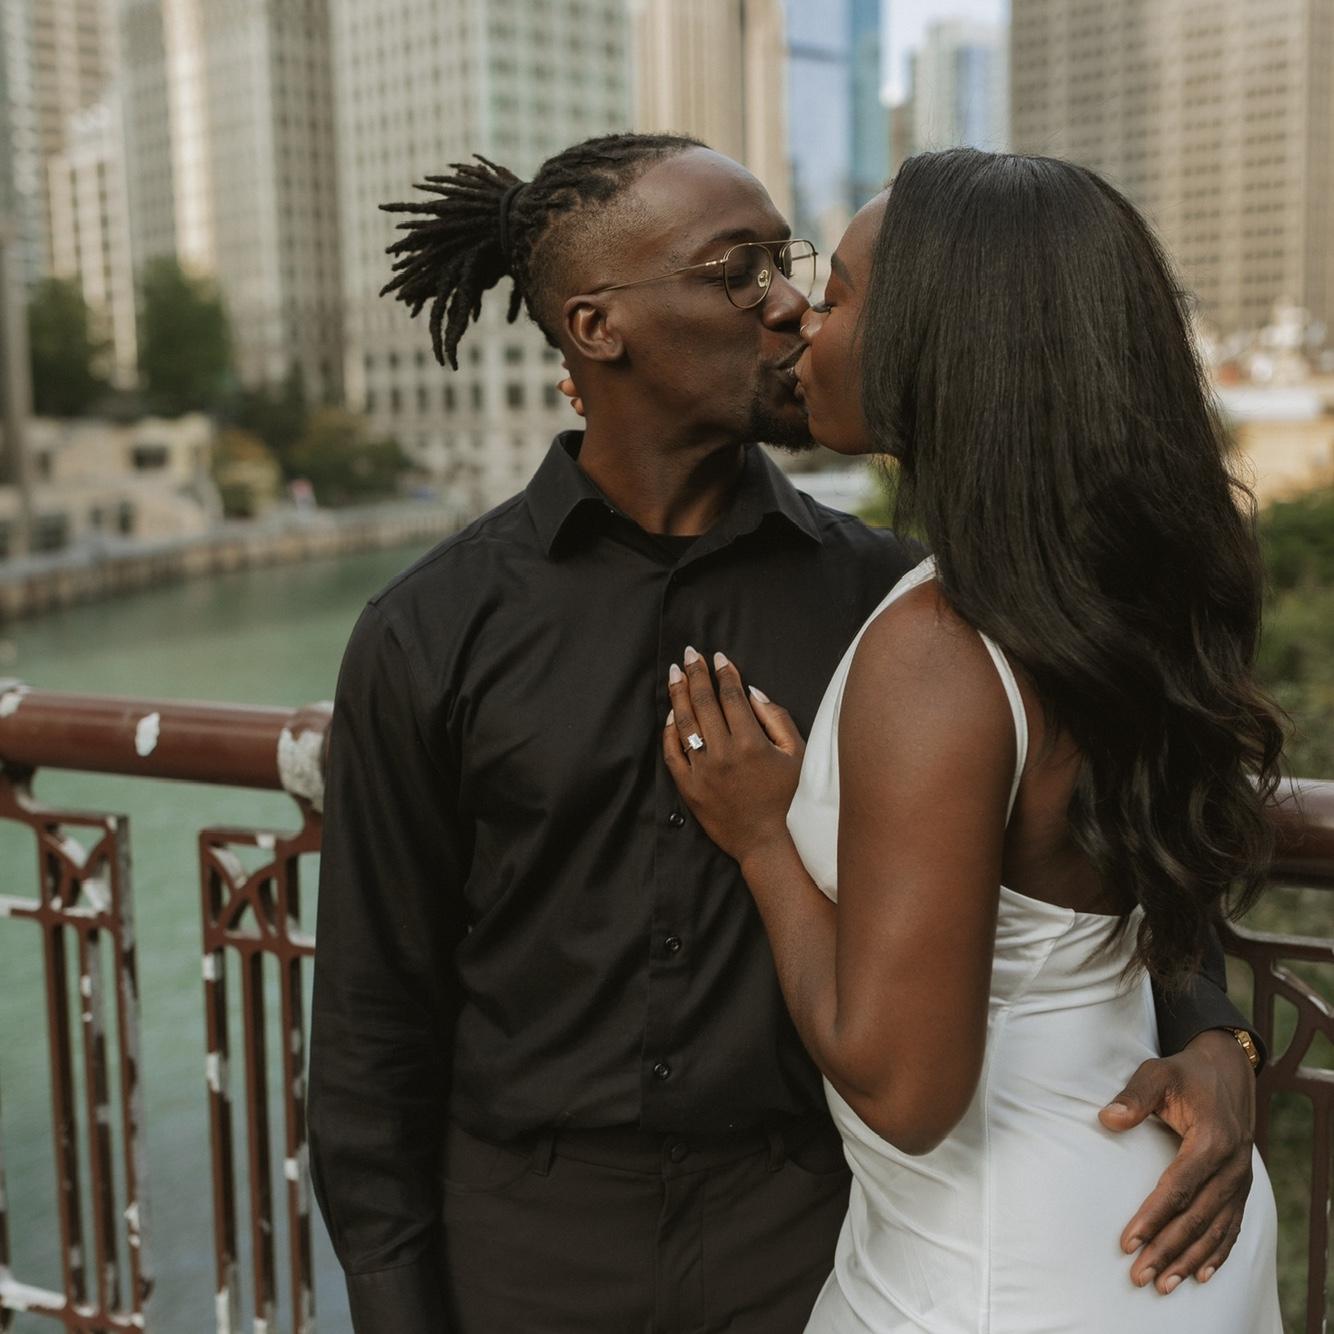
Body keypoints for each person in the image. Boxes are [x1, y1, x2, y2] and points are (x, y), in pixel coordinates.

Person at [307, 134, 1265, 1334]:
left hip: (814, 1230)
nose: (786, 304)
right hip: (529, 1248)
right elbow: (371, 1027)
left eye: (791, 264)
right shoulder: (430, 630)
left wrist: (1207, 1023)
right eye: (737, 270)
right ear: (597, 327)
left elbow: (1096, 814)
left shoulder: (901, 605)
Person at [660, 149, 1284, 1332]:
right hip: (1159, 1229)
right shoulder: (1107, 595)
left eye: (838, 297)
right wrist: (1218, 1032)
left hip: (998, 1269)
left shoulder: (942, 653)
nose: (802, 324)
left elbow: (905, 1091)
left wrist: (762, 840)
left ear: (939, 346)